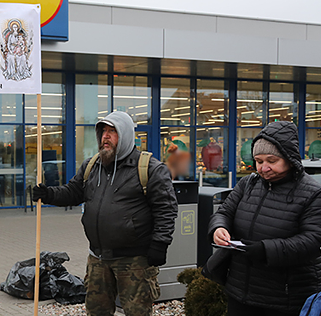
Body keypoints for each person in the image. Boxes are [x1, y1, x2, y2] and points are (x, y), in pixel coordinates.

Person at [32, 111, 178, 316]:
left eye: (112, 132)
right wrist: (48, 194)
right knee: (96, 312)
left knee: (137, 313)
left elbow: (166, 209)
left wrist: (160, 244)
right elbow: (73, 192)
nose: (105, 137)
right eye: (103, 132)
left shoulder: (150, 169)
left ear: (126, 135)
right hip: (97, 259)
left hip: (134, 261)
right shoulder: (92, 166)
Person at [209, 121, 321, 316]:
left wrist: (266, 250)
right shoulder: (247, 184)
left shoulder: (312, 193)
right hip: (240, 290)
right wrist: (218, 228)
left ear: (289, 157)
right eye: (259, 161)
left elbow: (312, 241)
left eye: (271, 160)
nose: (264, 168)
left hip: (286, 295)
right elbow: (224, 213)